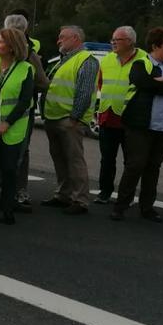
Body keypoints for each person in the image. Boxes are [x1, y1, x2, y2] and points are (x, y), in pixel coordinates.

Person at [112, 27, 163, 222]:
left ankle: (147, 207)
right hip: (140, 124)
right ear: (155, 46)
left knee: (154, 167)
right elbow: (144, 83)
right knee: (135, 165)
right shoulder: (140, 64)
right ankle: (121, 205)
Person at [0, 28, 36, 225]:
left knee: (9, 170)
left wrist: (6, 124)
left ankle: (7, 207)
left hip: (12, 128)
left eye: (0, 41)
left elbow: (24, 101)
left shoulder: (26, 69)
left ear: (12, 47)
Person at [40, 25, 99, 215]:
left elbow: (84, 91)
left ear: (75, 38)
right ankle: (63, 194)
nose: (59, 40)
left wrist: (74, 117)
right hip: (54, 117)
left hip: (68, 120)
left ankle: (80, 199)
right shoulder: (63, 60)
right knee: (60, 159)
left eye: (62, 37)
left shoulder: (86, 61)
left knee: (74, 160)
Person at [0, 12, 47, 211]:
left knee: (1, 151)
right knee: (19, 152)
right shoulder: (31, 54)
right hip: (20, 113)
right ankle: (17, 191)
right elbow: (43, 83)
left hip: (0, 110)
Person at [95, 26, 150, 204]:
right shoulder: (107, 60)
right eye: (112, 39)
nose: (113, 43)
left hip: (131, 120)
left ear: (130, 42)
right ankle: (105, 191)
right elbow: (101, 83)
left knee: (131, 162)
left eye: (116, 40)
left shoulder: (145, 60)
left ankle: (127, 195)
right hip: (107, 115)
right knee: (107, 159)